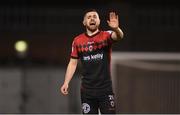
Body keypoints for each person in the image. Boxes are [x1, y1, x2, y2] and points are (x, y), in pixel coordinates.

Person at [60, 9, 124, 114]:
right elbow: (73, 63)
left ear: (99, 21)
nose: (92, 18)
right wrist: (66, 82)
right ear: (84, 22)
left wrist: (116, 29)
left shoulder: (106, 35)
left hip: (105, 89)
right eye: (89, 17)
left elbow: (119, 36)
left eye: (95, 16)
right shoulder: (77, 40)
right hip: (87, 91)